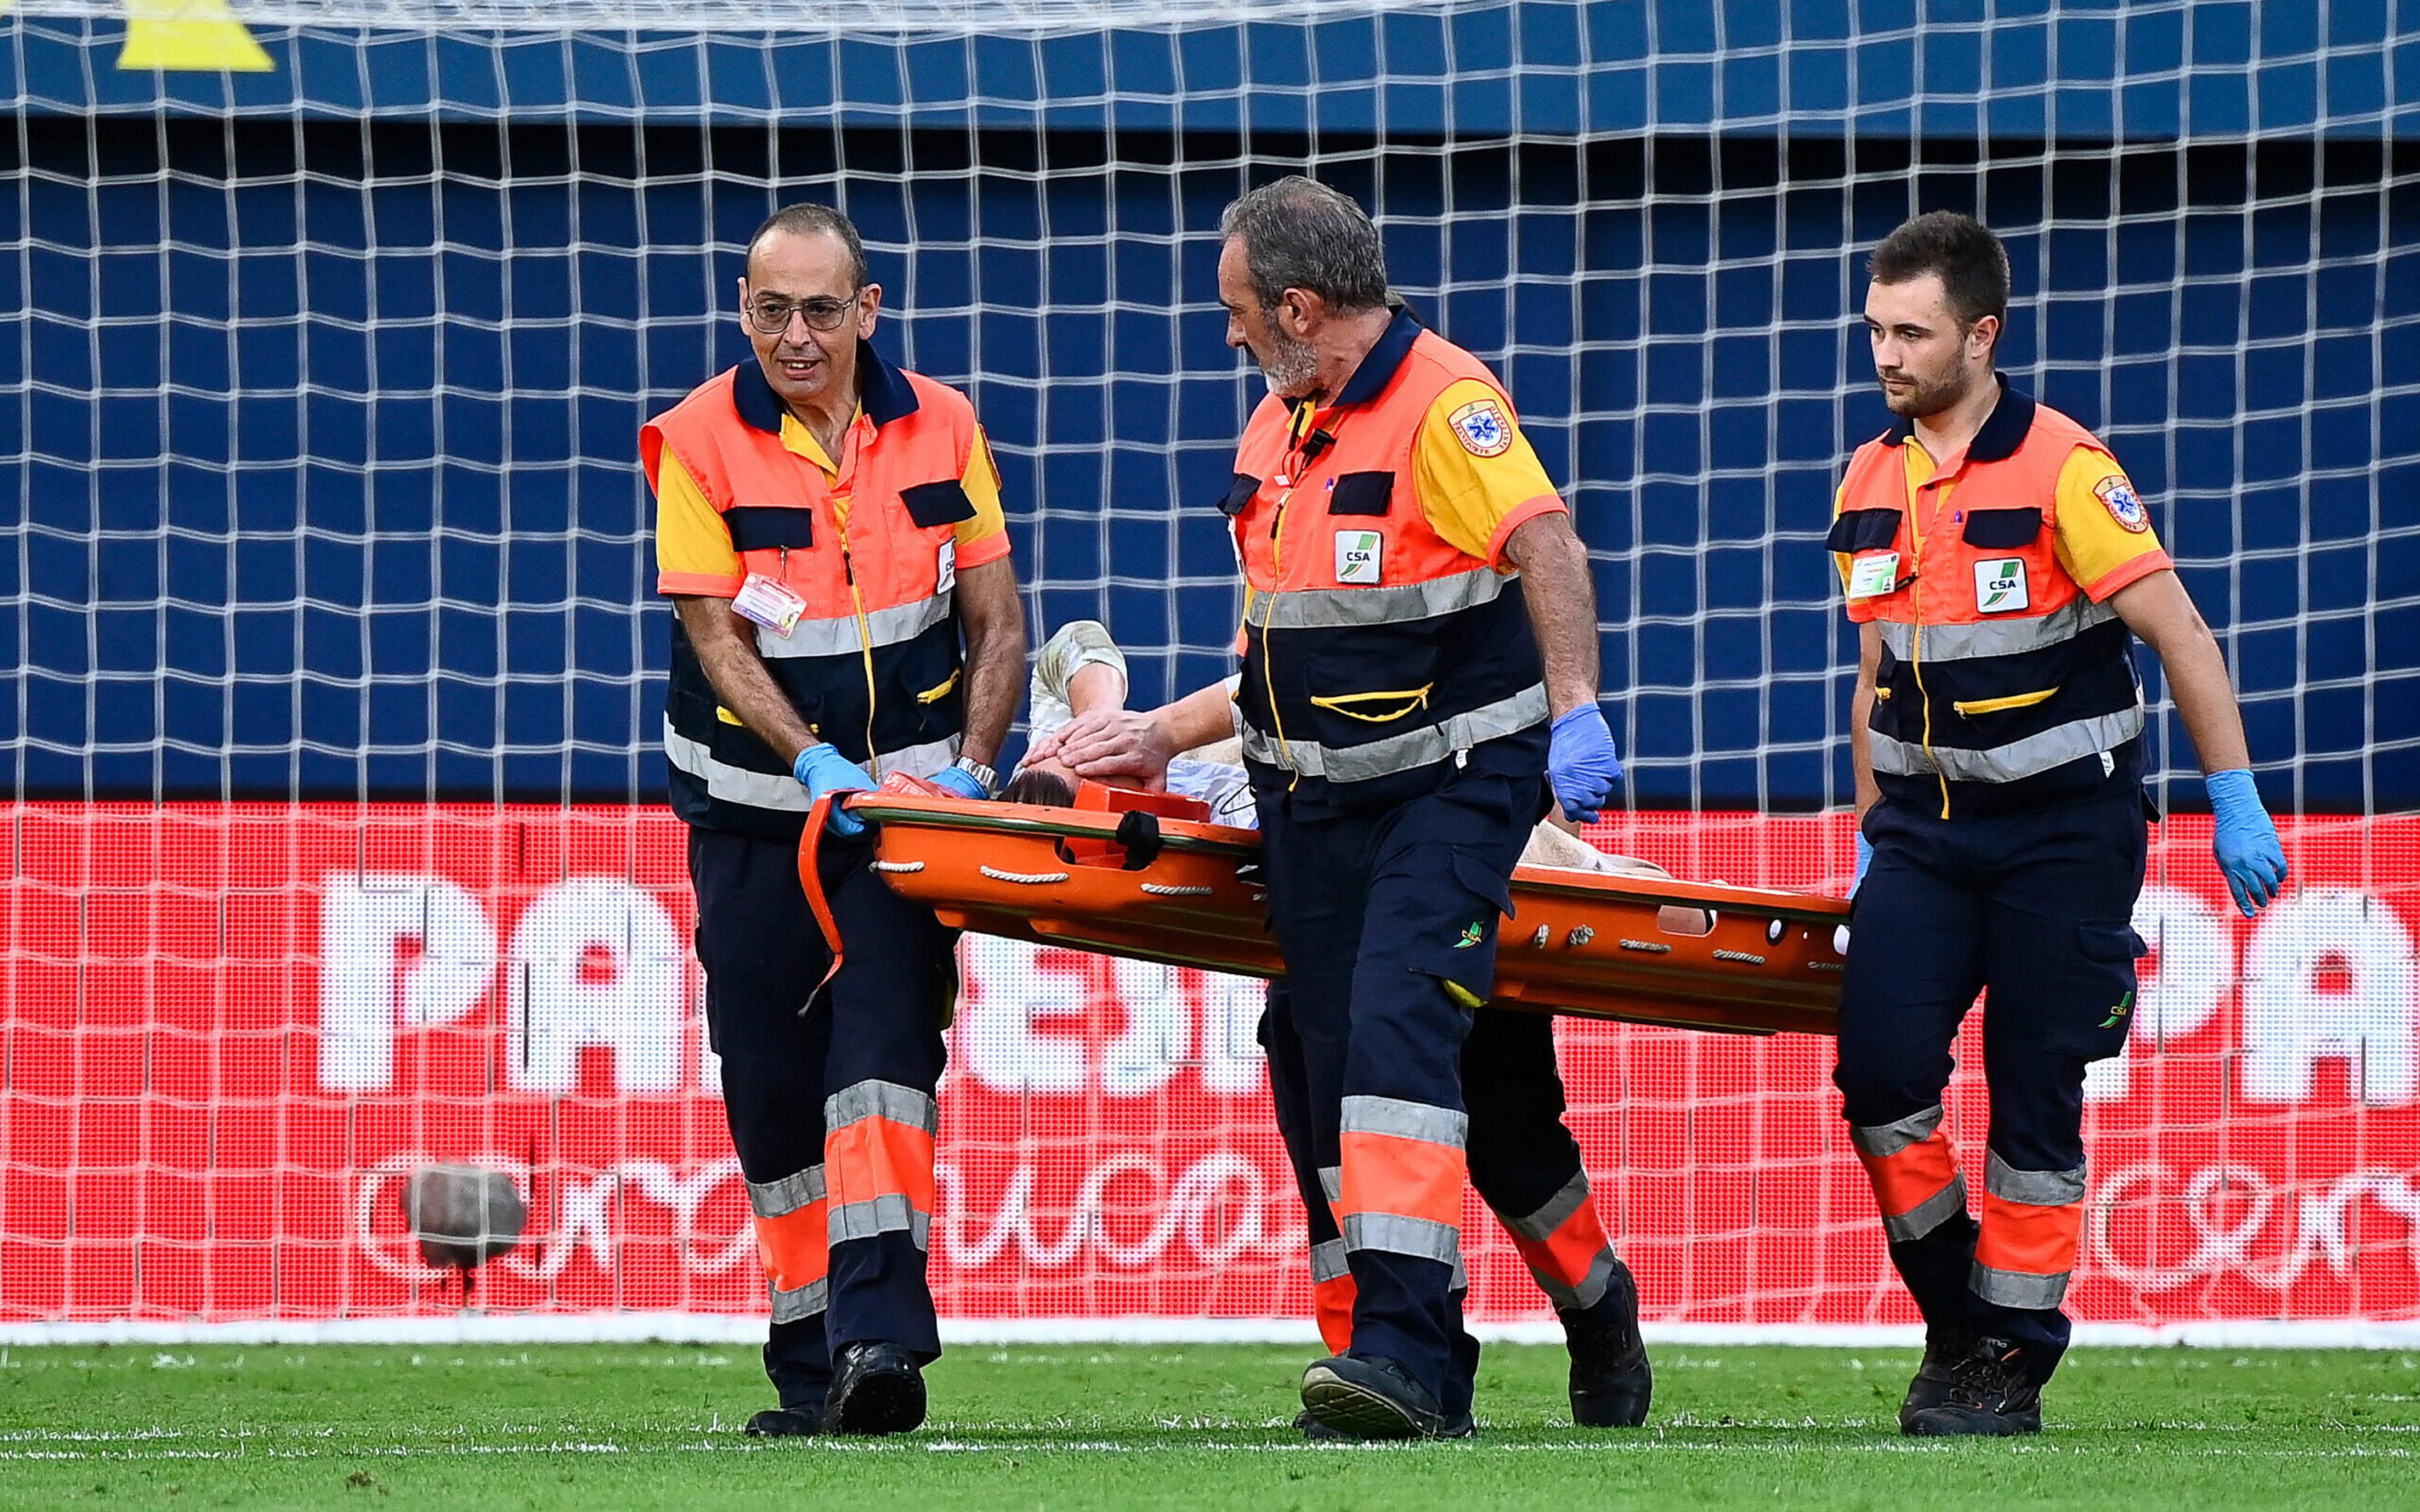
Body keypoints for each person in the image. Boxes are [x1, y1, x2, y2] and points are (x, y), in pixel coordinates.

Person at [1036, 178, 1649, 1440]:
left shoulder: (1447, 406)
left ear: (1304, 308)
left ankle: (1407, 1363)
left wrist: (1576, 704)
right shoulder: (1278, 432)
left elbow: (1548, 551)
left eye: (1241, 312)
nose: (1231, 336)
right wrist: (1157, 733)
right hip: (1308, 801)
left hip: (1450, 790)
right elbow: (1274, 644)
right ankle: (1495, 1326)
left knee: (1392, 1042)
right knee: (1325, 1067)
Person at [1828, 210, 2290, 1436]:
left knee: (2036, 1102)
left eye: (1911, 333)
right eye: (1875, 329)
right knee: (1878, 1084)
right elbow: (1874, 669)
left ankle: (2008, 1362)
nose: (1887, 354)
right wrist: (1872, 827)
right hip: (1924, 838)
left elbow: (2180, 636)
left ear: (1982, 336)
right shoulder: (1871, 479)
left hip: (2063, 839)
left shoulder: (2067, 471)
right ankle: (1959, 1320)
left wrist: (2230, 793)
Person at [644, 202, 1026, 1437]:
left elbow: (999, 617)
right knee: (772, 1097)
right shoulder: (697, 438)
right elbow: (715, 631)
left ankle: (879, 1349)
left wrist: (974, 765)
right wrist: (808, 761)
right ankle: (809, 1372)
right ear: (743, 309)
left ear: (868, 312)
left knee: (881, 1070)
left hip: (908, 823)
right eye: (770, 309)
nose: (794, 335)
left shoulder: (945, 423)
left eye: (819, 309)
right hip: (757, 815)